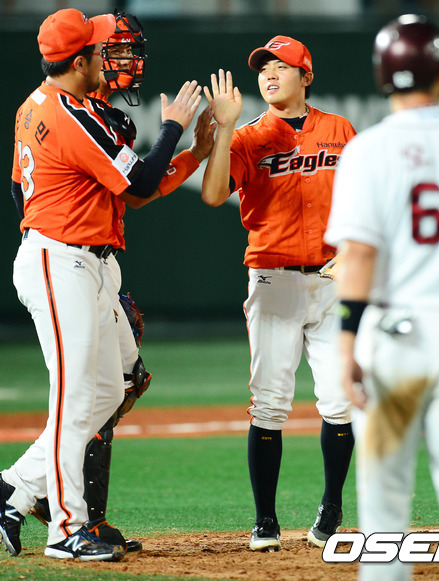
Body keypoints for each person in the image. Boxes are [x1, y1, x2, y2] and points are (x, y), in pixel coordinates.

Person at [0, 8, 202, 561]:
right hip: (60, 259)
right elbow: (141, 180)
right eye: (95, 50)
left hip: (76, 258)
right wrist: (174, 126)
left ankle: (13, 488)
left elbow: (21, 190)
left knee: (111, 390)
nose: (103, 57)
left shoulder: (37, 103)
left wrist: (192, 156)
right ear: (79, 61)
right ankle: (67, 531)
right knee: (73, 399)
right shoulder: (68, 114)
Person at [324, 14, 439, 581]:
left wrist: (345, 343)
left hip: (394, 338)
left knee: (384, 504)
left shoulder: (370, 149)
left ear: (382, 75)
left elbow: (359, 255)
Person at [202, 36, 356, 551]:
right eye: (263, 67)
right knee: (269, 403)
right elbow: (213, 194)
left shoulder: (339, 130)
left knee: (340, 401)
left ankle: (331, 506)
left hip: (333, 281)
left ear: (305, 76)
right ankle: (265, 520)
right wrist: (225, 130)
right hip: (273, 278)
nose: (269, 74)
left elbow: (365, 197)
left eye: (281, 66)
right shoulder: (249, 137)